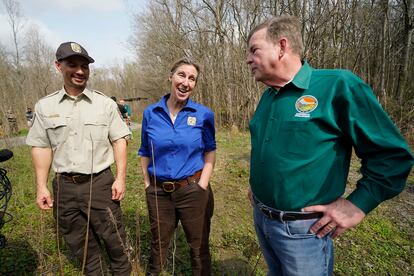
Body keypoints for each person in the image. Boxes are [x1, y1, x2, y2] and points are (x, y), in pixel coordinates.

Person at [246, 16, 413, 276]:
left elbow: (391, 155)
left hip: (303, 231)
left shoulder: (338, 85)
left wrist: (358, 204)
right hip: (262, 218)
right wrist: (257, 185)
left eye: (254, 50)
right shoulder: (268, 97)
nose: (248, 59)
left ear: (281, 46)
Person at [26, 41, 132, 275]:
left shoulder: (104, 104)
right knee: (81, 248)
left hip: (100, 184)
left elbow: (119, 140)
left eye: (84, 66)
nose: (80, 71)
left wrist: (121, 178)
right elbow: (41, 147)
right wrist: (42, 187)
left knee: (116, 243)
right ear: (58, 66)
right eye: (72, 65)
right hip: (64, 187)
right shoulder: (45, 107)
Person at [138, 58, 216, 276]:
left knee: (198, 246)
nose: (186, 82)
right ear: (170, 77)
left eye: (192, 79)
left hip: (193, 189)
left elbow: (210, 149)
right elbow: (144, 150)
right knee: (158, 245)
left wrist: (203, 184)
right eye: (181, 75)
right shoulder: (150, 113)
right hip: (158, 192)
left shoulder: (203, 114)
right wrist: (147, 183)